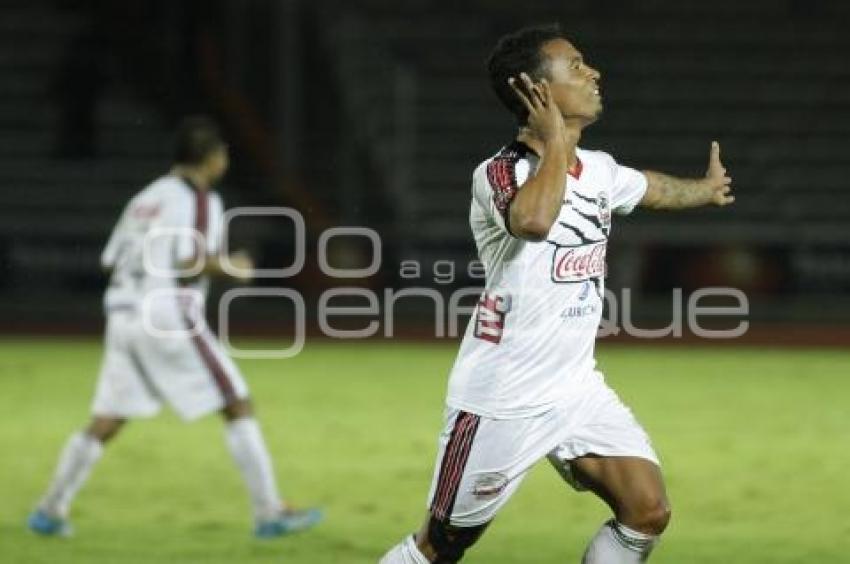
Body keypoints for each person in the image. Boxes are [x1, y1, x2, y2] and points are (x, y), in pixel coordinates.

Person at [380, 23, 733, 563]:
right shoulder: (498, 172)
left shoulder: (599, 170)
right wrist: (554, 143)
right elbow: (535, 220)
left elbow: (652, 188)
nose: (593, 74)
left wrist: (704, 191)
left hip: (575, 388)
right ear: (537, 92)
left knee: (647, 509)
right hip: (501, 398)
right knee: (443, 544)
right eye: (575, 66)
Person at [28, 116, 322, 539]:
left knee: (109, 417)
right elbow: (187, 261)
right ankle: (270, 512)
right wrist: (233, 267)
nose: (225, 160)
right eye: (221, 153)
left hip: (122, 314)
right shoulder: (199, 199)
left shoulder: (146, 197)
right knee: (236, 403)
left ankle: (50, 510)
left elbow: (111, 258)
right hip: (165, 314)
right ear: (210, 159)